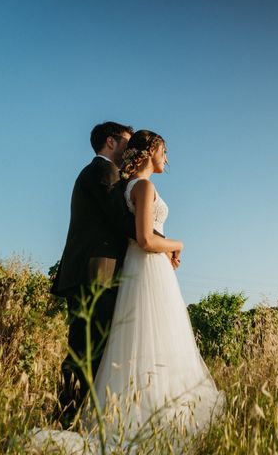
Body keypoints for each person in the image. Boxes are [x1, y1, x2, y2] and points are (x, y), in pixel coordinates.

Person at [91, 130, 224, 441]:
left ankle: (147, 410)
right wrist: (178, 244)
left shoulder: (131, 186)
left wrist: (166, 249)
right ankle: (154, 418)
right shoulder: (144, 186)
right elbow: (146, 238)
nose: (166, 159)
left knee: (150, 339)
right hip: (148, 268)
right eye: (164, 151)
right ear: (151, 150)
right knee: (157, 337)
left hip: (147, 268)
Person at [51, 121, 136, 427]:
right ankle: (67, 421)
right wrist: (160, 243)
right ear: (111, 142)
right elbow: (120, 220)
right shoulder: (103, 171)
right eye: (127, 141)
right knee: (86, 351)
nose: (132, 147)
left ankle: (82, 419)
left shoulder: (104, 173)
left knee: (92, 350)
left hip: (95, 275)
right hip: (94, 276)